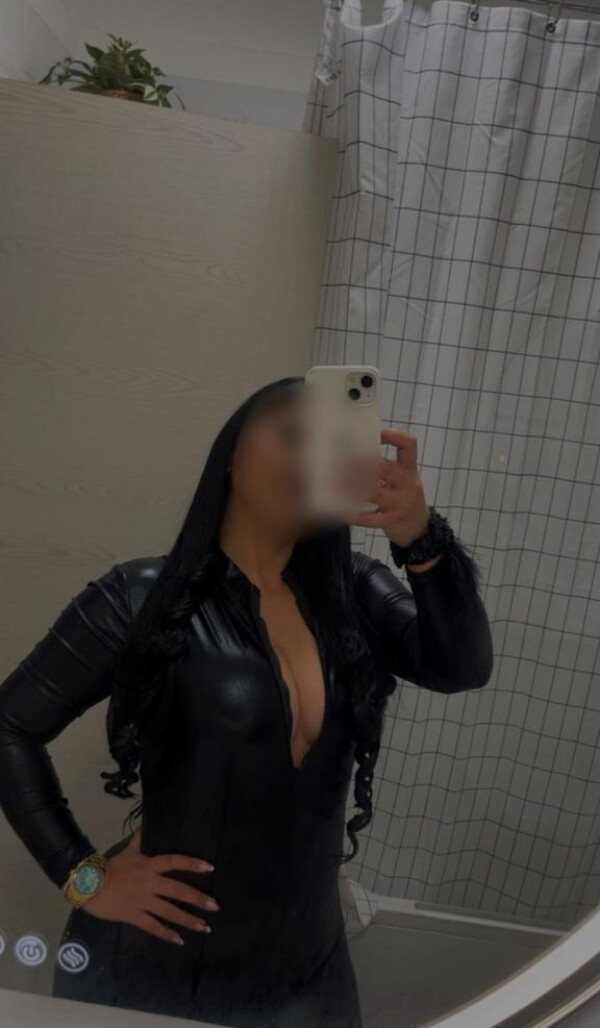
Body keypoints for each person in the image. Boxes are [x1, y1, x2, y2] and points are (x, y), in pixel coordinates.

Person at [0, 376, 494, 1028]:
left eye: (330, 446)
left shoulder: (356, 594)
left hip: (309, 973)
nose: (307, 457)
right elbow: (9, 726)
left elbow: (461, 667)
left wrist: (420, 539)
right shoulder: (141, 596)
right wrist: (83, 877)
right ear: (231, 454)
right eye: (291, 434)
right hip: (152, 966)